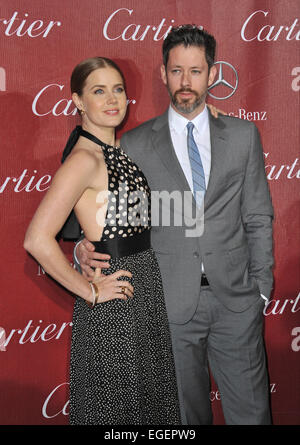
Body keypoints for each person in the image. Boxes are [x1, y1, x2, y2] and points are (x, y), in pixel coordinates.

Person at [75, 26, 274, 425]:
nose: (186, 82)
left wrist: (262, 290)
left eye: (196, 71)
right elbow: (109, 207)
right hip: (167, 302)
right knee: (184, 418)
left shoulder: (242, 135)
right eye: (177, 70)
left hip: (237, 302)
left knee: (252, 414)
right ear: (163, 73)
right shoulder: (133, 143)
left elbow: (258, 216)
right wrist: (84, 242)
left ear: (212, 74)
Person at [24, 56, 181, 425]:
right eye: (99, 91)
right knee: (118, 407)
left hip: (142, 290)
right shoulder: (85, 159)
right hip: (116, 299)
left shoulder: (114, 152)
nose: (112, 99)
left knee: (146, 405)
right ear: (78, 101)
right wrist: (90, 291)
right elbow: (36, 239)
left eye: (118, 89)